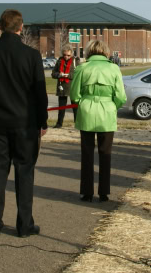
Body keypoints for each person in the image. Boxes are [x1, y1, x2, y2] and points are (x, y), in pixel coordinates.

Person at [0, 9, 48, 238]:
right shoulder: (32, 56)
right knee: (25, 174)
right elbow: (40, 93)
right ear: (21, 28)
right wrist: (42, 121)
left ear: (0, 26)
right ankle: (24, 225)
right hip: (25, 124)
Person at [70, 39, 127, 202]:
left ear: (88, 52)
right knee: (105, 152)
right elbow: (121, 96)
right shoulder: (113, 68)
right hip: (107, 111)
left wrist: (83, 102)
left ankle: (86, 192)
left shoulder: (82, 68)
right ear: (106, 52)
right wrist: (111, 105)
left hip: (87, 110)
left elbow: (74, 94)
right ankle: (104, 192)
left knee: (87, 153)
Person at [52, 46, 77, 128]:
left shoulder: (75, 61)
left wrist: (68, 75)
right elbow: (53, 73)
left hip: (73, 87)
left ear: (71, 54)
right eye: (64, 55)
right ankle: (59, 123)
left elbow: (78, 74)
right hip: (61, 87)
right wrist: (59, 75)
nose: (66, 57)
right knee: (61, 107)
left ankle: (77, 124)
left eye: (68, 55)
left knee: (75, 107)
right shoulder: (59, 61)